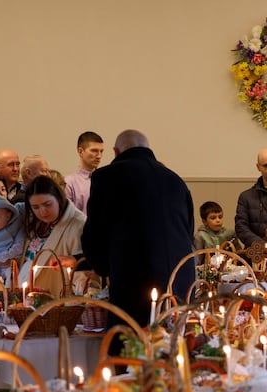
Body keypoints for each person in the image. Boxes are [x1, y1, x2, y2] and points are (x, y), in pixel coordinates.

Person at [82, 129, 195, 331]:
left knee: (132, 348)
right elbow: (188, 231)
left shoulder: (106, 177)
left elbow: (95, 234)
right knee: (177, 348)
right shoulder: (175, 180)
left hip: (135, 282)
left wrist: (102, 268)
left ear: (116, 151)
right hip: (181, 281)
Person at [17, 174, 86, 295]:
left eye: (47, 204)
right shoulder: (36, 222)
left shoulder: (78, 223)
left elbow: (84, 273)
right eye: (35, 207)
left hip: (56, 297)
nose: (42, 212)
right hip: (29, 292)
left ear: (58, 198)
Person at [66, 131, 104, 214]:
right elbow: (66, 215)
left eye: (101, 151)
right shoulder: (69, 182)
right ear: (80, 151)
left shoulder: (106, 180)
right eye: (94, 151)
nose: (99, 156)